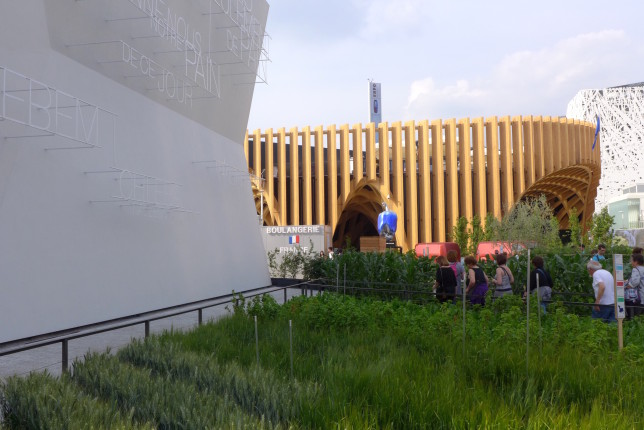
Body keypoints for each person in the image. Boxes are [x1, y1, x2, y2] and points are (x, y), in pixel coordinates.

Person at [625, 253, 643, 319]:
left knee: (635, 317)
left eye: (632, 260)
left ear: (636, 262)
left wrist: (627, 286)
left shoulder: (635, 269)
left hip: (639, 298)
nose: (631, 262)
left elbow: (635, 281)